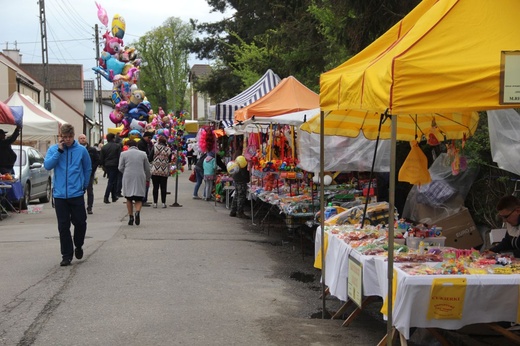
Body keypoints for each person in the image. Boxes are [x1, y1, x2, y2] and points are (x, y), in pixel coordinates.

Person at [44, 124, 91, 266]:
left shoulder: (81, 150)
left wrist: (84, 185)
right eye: (65, 137)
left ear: (73, 135)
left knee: (80, 222)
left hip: (76, 193)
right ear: (61, 137)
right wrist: (59, 151)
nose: (68, 140)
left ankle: (78, 244)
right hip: (60, 195)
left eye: (70, 137)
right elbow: (47, 165)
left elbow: (87, 168)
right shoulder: (54, 150)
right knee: (63, 226)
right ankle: (66, 255)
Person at [118, 139, 151, 225]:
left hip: (128, 176)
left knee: (129, 197)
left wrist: (125, 172)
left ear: (128, 146)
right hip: (140, 176)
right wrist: (148, 177)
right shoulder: (143, 154)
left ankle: (131, 217)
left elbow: (120, 167)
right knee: (139, 197)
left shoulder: (123, 154)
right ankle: (137, 212)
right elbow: (147, 168)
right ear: (137, 146)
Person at [78, 134, 100, 214]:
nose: (82, 140)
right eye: (81, 138)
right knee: (79, 191)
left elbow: (97, 160)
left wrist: (92, 169)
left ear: (86, 139)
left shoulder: (91, 150)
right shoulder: (76, 149)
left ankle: (89, 207)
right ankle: (80, 207)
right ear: (78, 140)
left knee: (89, 190)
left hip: (89, 173)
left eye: (84, 138)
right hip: (79, 174)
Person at [149, 135, 171, 208]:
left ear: (158, 141)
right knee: (163, 187)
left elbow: (150, 157)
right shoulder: (168, 149)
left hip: (155, 170)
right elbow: (170, 160)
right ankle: (163, 203)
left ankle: (155, 203)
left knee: (155, 187)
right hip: (164, 170)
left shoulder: (155, 147)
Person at [100, 133, 122, 204]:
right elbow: (119, 156)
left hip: (107, 165)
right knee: (112, 181)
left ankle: (113, 196)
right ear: (113, 138)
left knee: (112, 180)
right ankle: (106, 197)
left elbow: (101, 158)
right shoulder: (117, 146)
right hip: (115, 164)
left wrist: (103, 166)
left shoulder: (104, 147)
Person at [138, 131, 154, 205]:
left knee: (145, 183)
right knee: (145, 182)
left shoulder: (145, 143)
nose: (150, 139)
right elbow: (143, 155)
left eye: (151, 138)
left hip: (144, 165)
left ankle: (144, 199)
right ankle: (143, 199)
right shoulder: (141, 144)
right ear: (145, 136)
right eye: (149, 138)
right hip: (143, 166)